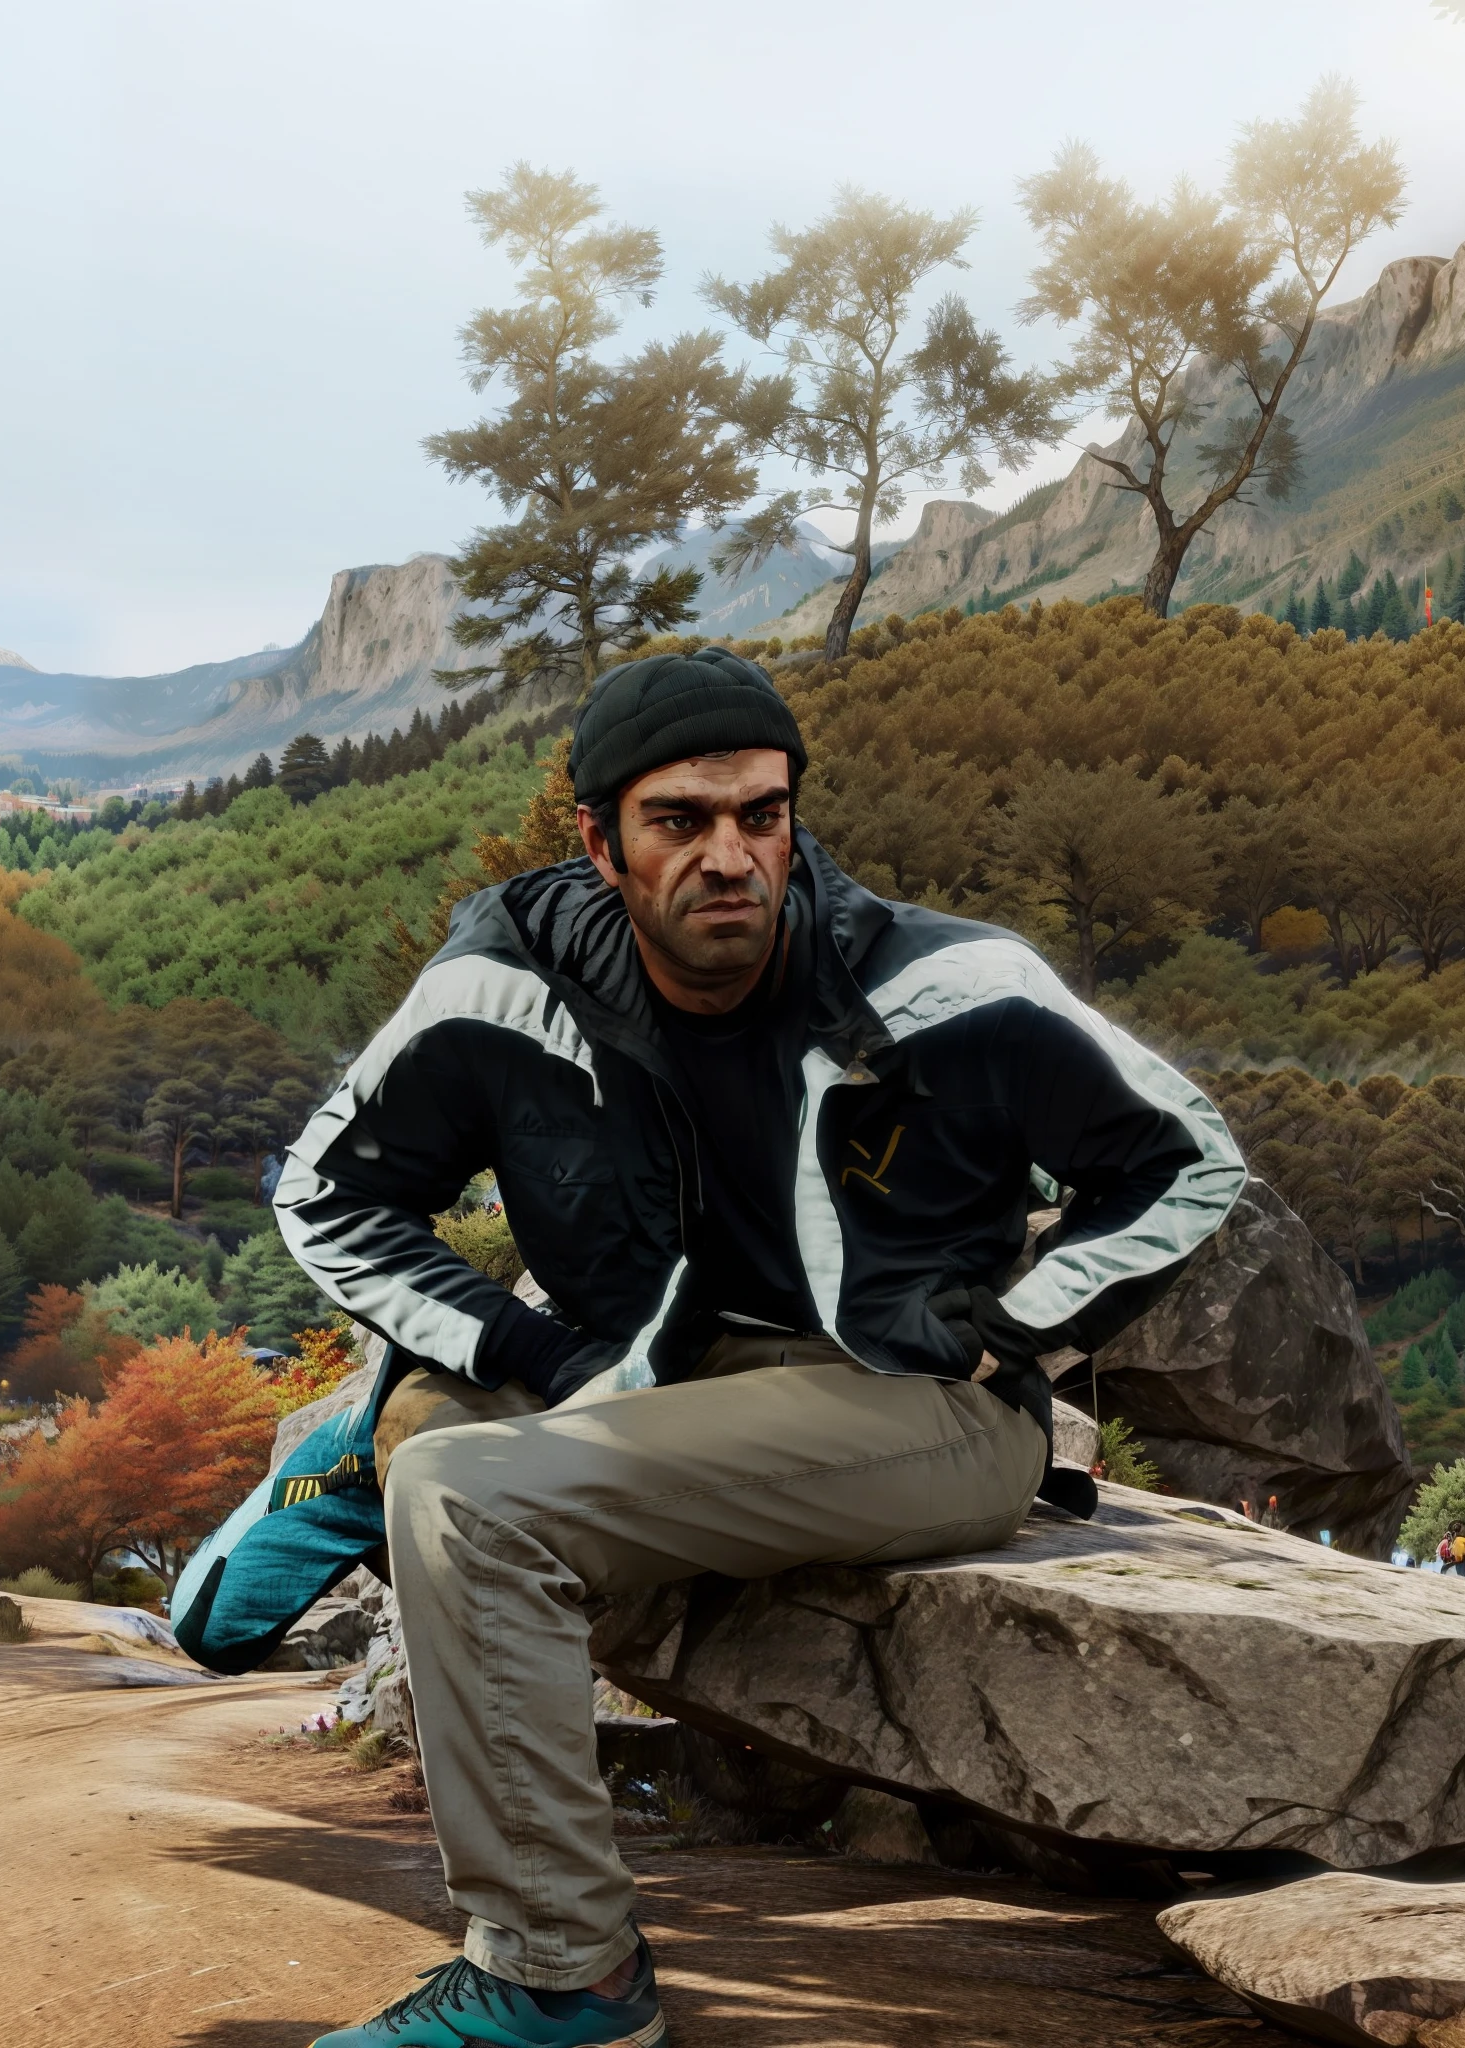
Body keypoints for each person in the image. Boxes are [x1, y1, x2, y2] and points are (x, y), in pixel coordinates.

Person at [274, 647, 1246, 2048]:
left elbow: (1186, 1163)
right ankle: (369, 1437)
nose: (731, 856)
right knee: (456, 1427)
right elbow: (327, 1189)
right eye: (683, 821)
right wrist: (537, 1361)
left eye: (763, 815)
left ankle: (562, 1977)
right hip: (653, 1375)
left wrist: (1015, 1323)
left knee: (465, 1498)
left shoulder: (947, 986)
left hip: (905, 1405)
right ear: (601, 843)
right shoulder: (511, 973)